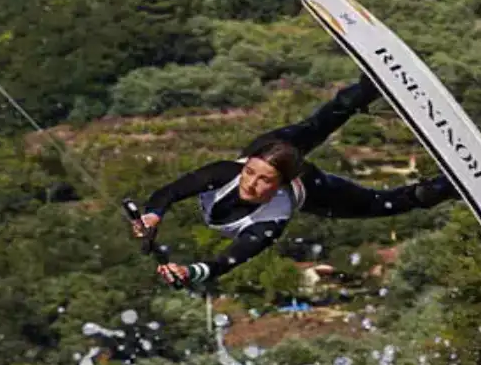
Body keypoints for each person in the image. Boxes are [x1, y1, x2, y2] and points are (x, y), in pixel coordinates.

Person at [129, 77, 460, 287]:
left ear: (279, 186)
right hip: (269, 148)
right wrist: (153, 217)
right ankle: (445, 188)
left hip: (309, 186)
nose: (252, 185)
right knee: (380, 204)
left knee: (320, 127)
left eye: (264, 182)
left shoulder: (272, 213)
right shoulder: (228, 176)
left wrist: (191, 269)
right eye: (250, 175)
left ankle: (369, 87)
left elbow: (222, 261)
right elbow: (173, 195)